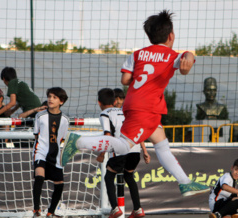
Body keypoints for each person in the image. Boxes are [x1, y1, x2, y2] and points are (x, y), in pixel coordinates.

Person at [61, 10, 209, 199]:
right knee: (123, 146)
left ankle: (185, 182)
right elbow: (185, 61)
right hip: (146, 108)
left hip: (136, 104)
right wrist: (188, 55)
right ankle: (78, 141)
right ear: (171, 35)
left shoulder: (137, 54)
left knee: (162, 144)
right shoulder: (170, 56)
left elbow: (125, 79)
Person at [95, 88, 150, 218]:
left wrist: (102, 153)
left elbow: (107, 134)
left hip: (121, 150)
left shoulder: (104, 114)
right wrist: (145, 150)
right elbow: (138, 130)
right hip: (135, 150)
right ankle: (137, 209)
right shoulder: (125, 112)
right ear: (114, 101)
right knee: (128, 175)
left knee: (108, 176)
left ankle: (115, 208)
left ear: (99, 102)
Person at [32, 87, 69, 218]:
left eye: (54, 97)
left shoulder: (65, 119)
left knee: (59, 183)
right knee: (39, 177)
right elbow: (36, 135)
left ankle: (51, 213)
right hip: (40, 151)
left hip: (56, 154)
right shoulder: (40, 116)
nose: (50, 99)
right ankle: (36, 211)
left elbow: (63, 139)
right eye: (49, 96)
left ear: (61, 101)